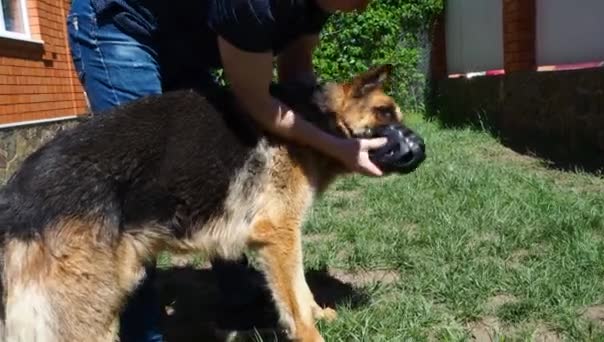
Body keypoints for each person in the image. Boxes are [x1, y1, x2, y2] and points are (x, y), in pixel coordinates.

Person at [66, 0, 385, 340]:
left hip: (185, 49)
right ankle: (143, 333)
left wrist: (331, 131)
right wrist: (336, 147)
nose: (365, 8)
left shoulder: (315, 6)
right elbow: (257, 101)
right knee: (142, 193)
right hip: (122, 25)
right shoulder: (256, 3)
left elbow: (296, 80)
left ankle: (241, 309)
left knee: (222, 166)